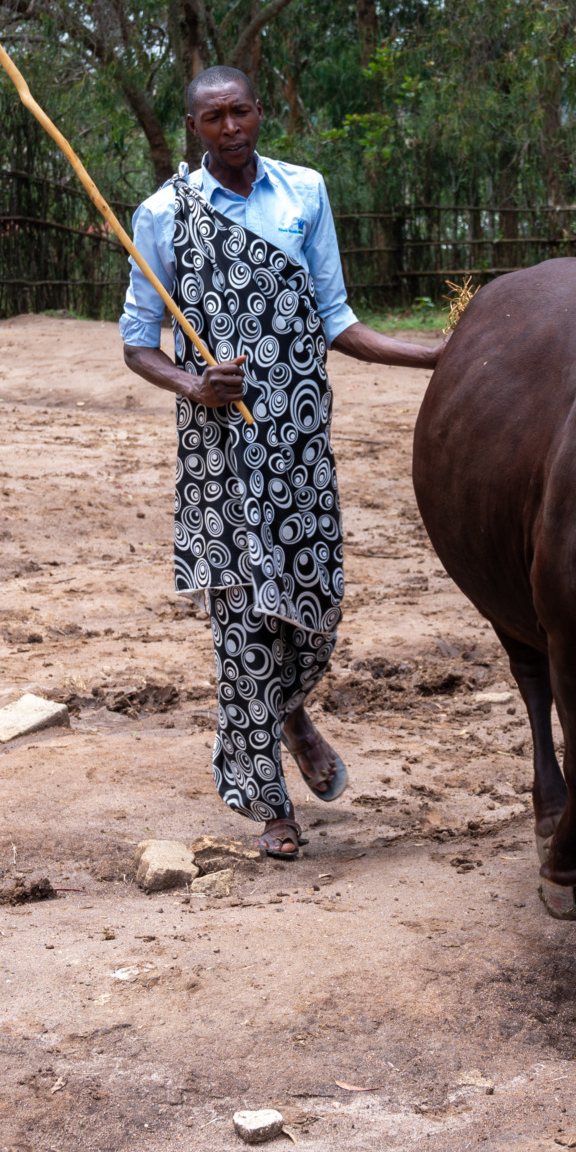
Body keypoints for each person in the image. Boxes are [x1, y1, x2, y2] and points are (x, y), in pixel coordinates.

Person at [120, 66, 439, 859]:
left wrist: (440, 354)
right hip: (220, 452)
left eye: (242, 111)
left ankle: (288, 709)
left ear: (260, 113)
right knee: (240, 627)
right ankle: (270, 804)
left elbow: (338, 319)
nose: (231, 127)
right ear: (194, 127)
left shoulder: (305, 193)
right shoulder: (163, 215)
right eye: (214, 117)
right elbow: (136, 342)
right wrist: (195, 382)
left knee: (317, 604)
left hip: (299, 441)